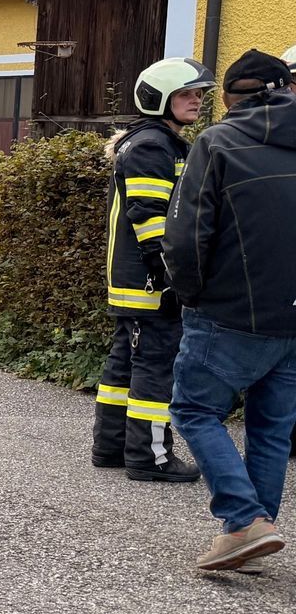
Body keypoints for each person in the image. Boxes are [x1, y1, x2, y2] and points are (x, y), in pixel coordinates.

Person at [163, 49, 296, 572]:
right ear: (287, 89)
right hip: (292, 318)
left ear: (228, 98)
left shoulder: (217, 143)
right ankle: (253, 533)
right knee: (271, 428)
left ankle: (244, 521)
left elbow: (185, 235)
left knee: (195, 410)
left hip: (230, 312)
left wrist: (191, 295)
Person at [92, 57, 213, 481]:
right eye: (186, 94)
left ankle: (111, 448)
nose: (196, 100)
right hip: (150, 281)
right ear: (159, 98)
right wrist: (172, 277)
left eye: (198, 94)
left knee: (124, 364)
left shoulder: (150, 141)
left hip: (134, 279)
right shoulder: (153, 146)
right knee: (156, 367)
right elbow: (150, 220)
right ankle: (150, 458)